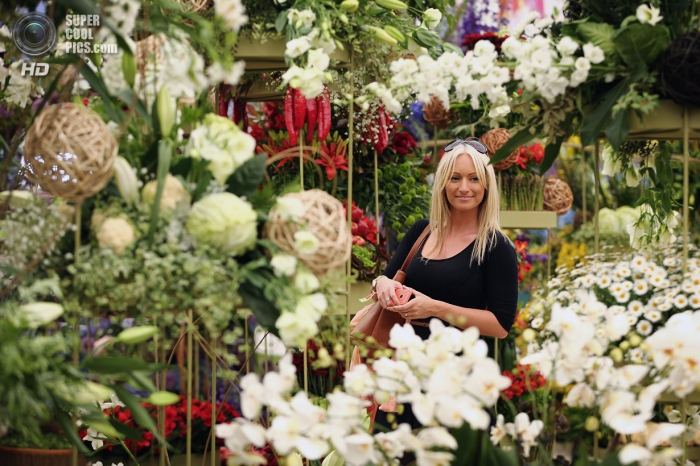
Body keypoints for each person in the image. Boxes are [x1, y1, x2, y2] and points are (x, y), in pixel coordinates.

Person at [372, 137, 518, 430]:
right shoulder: (421, 232)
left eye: (473, 178)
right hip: (404, 369)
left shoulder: (496, 247)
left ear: (486, 185)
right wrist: (382, 283)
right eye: (455, 178)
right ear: (442, 184)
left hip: (457, 376)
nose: (464, 187)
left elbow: (500, 325)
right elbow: (386, 277)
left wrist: (434, 308)